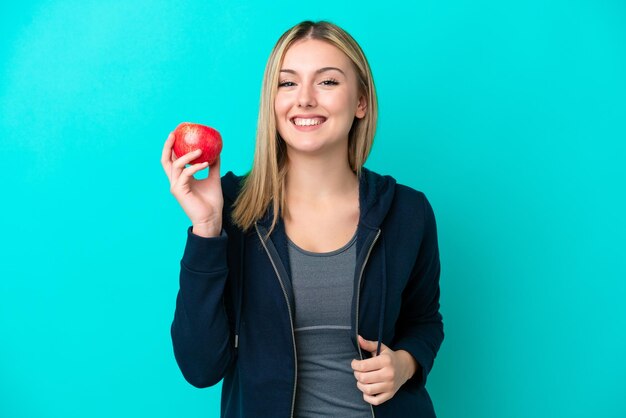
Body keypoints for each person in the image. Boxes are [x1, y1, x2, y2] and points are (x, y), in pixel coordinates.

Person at [161, 20, 444, 418]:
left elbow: (425, 320)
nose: (305, 99)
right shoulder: (229, 207)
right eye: (287, 83)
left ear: (360, 101)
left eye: (327, 82)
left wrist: (406, 364)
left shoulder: (408, 211)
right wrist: (207, 229)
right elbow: (201, 367)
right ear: (272, 101)